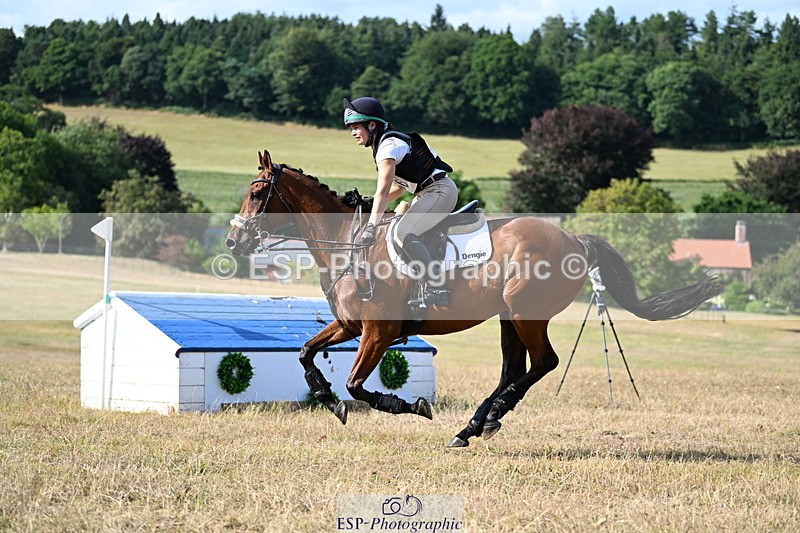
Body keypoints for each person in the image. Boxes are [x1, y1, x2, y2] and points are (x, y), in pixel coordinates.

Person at [343, 96, 458, 306]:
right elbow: (398, 188)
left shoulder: (388, 147)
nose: (352, 133)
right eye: (351, 127)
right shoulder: (385, 144)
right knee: (396, 230)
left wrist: (371, 226)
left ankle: (437, 287)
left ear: (372, 124)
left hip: (439, 191)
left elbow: (384, 189)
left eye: (356, 127)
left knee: (402, 232)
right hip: (428, 192)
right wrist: (369, 204)